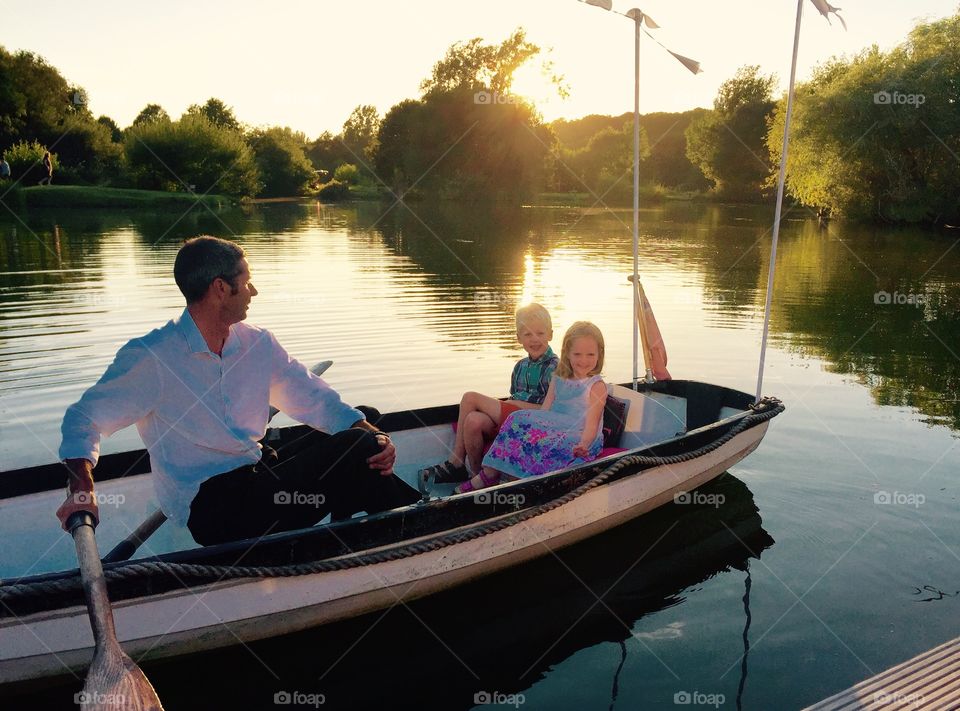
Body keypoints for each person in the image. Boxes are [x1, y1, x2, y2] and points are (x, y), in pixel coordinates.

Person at [56, 236, 421, 545]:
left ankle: (351, 531)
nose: (253, 291)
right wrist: (82, 489)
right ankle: (413, 523)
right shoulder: (153, 357)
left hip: (256, 472)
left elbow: (315, 399)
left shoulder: (257, 343)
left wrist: (378, 438)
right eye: (246, 282)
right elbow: (82, 420)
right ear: (220, 288)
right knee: (358, 446)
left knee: (364, 422)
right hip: (214, 511)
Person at [455, 321, 607, 494]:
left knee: (544, 440)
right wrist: (533, 427)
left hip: (580, 434)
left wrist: (584, 444)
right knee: (518, 418)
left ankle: (518, 481)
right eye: (577, 354)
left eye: (590, 354)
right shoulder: (558, 377)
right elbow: (544, 411)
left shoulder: (596, 386)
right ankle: (491, 472)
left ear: (599, 354)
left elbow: (592, 425)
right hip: (555, 425)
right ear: (567, 353)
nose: (583, 360)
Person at [419, 303, 558, 484]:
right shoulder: (520, 366)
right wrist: (510, 405)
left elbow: (552, 410)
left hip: (531, 420)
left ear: (550, 335)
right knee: (473, 421)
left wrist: (514, 406)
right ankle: (476, 476)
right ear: (518, 338)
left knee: (470, 398)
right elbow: (514, 396)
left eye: (540, 333)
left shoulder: (555, 367)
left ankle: (456, 461)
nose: (534, 339)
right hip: (512, 416)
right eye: (528, 334)